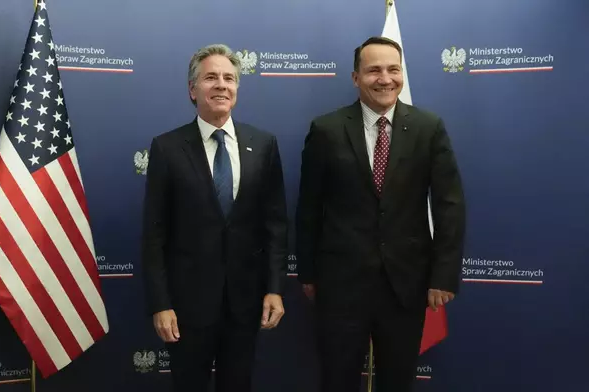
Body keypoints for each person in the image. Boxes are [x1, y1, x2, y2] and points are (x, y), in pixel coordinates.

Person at [295, 36, 466, 392]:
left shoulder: (428, 128)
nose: (385, 78)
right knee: (337, 380)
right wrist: (309, 272)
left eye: (393, 69)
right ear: (356, 77)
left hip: (406, 284)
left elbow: (449, 204)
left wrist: (443, 275)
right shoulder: (326, 130)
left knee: (398, 382)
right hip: (341, 286)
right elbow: (309, 207)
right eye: (373, 70)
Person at [141, 44, 288, 392]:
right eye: (211, 78)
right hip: (187, 307)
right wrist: (161, 304)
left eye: (229, 78)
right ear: (193, 90)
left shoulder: (263, 144)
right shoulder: (167, 147)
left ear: (237, 88)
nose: (221, 85)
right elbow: (154, 233)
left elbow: (275, 225)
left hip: (245, 302)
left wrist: (274, 289)